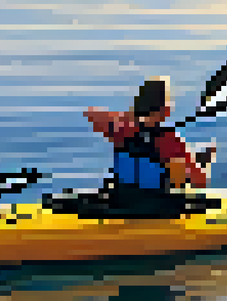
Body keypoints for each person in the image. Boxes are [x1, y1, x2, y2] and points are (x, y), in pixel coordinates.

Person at [80, 76, 218, 218]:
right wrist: (203, 163)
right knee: (181, 174)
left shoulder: (119, 130)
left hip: (121, 202)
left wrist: (133, 116)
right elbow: (200, 181)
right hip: (157, 209)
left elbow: (91, 113)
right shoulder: (170, 140)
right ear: (165, 109)